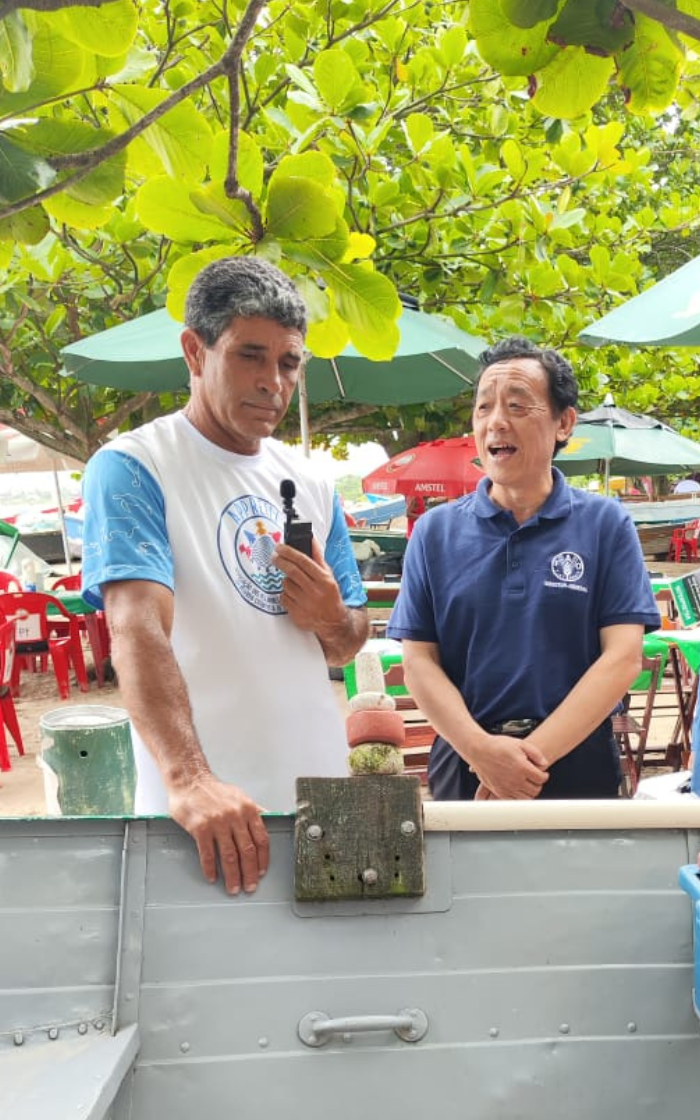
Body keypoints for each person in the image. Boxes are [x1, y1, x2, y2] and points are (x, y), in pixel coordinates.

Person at [81, 256, 369, 892]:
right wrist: (189, 779)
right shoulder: (136, 466)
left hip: (321, 802)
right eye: (250, 355)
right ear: (195, 351)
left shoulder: (313, 481)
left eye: (289, 363)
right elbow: (137, 628)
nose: (273, 381)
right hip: (205, 819)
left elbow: (349, 639)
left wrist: (330, 617)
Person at [387, 336, 661, 801]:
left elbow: (623, 657)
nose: (496, 422)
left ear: (563, 422)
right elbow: (418, 662)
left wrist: (527, 761)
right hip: (465, 760)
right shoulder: (435, 532)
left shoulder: (605, 524)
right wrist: (484, 755)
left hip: (576, 759)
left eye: (517, 406)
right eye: (483, 408)